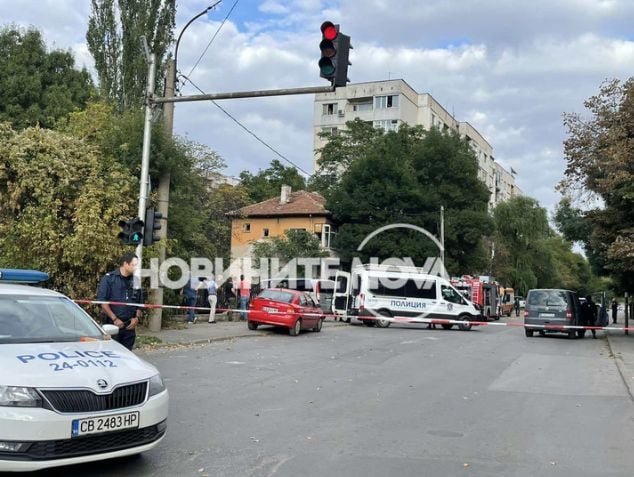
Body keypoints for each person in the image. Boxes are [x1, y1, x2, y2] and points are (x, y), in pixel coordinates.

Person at [97, 252, 143, 350]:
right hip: (112, 326)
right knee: (112, 355)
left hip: (129, 327)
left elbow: (140, 303)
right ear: (126, 264)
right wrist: (114, 319)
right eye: (134, 265)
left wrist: (136, 319)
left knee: (127, 357)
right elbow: (103, 302)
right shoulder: (109, 279)